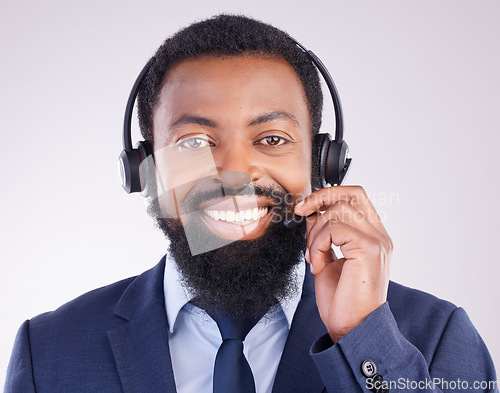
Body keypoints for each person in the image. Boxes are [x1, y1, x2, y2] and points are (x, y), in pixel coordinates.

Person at [4, 14, 497, 393]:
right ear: (145, 169)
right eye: (194, 142)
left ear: (323, 163)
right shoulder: (49, 351)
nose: (235, 174)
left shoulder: (436, 337)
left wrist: (362, 337)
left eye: (272, 138)